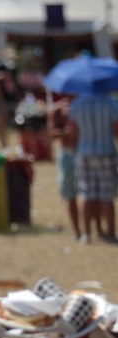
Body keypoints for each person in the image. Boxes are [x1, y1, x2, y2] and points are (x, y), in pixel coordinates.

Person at [67, 91, 118, 244]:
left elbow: (73, 132)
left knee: (86, 193)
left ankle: (86, 234)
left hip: (84, 152)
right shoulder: (111, 102)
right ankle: (110, 234)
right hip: (106, 152)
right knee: (107, 195)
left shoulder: (77, 104)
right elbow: (116, 129)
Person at [48, 96, 81, 242]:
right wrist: (66, 132)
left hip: (84, 153)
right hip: (67, 154)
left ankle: (92, 229)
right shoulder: (56, 109)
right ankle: (77, 231)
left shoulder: (83, 107)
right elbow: (51, 134)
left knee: (91, 196)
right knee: (70, 194)